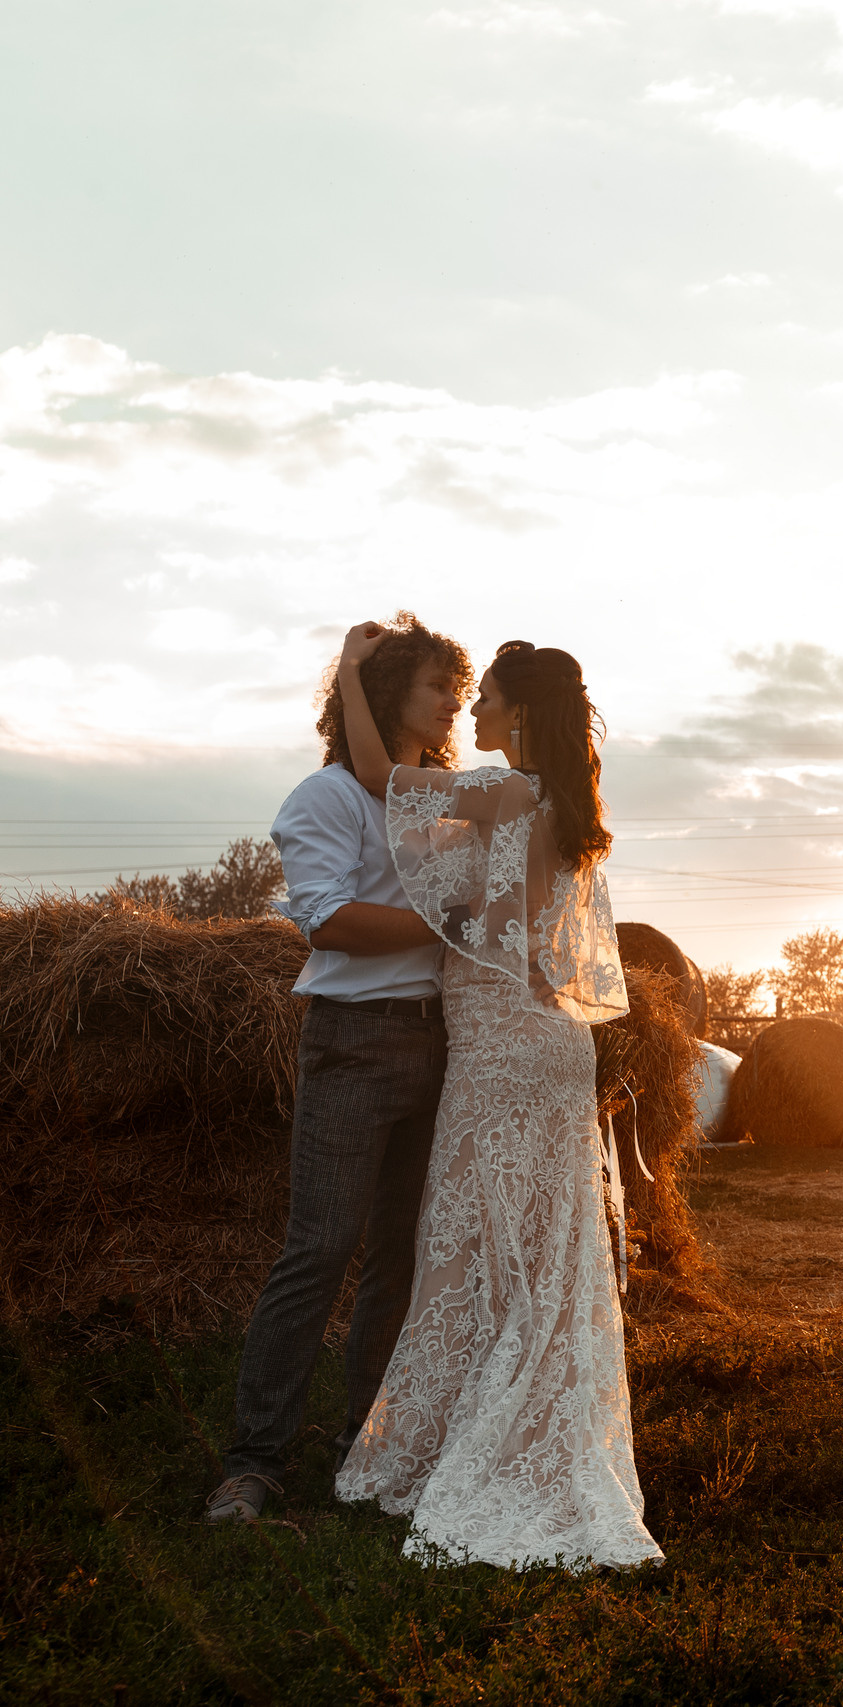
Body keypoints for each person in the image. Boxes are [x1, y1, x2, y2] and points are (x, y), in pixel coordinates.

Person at [330, 626, 661, 1570]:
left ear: (518, 709)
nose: (470, 712)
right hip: (545, 1044)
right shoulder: (556, 799)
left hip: (503, 1045)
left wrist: (354, 673)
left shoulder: (510, 790)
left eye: (485, 699)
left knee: (473, 1240)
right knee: (531, 1250)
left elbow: (377, 774)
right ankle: (490, 1425)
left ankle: (474, 1445)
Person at [208, 614, 470, 1526]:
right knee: (319, 1249)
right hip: (354, 1039)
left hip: (444, 1042)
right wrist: (451, 929)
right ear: (389, 685)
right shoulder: (325, 799)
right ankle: (252, 1464)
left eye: (457, 687)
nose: (452, 700)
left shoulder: (435, 795)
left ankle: (372, 1446)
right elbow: (328, 920)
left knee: (402, 1255)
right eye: (436, 682)